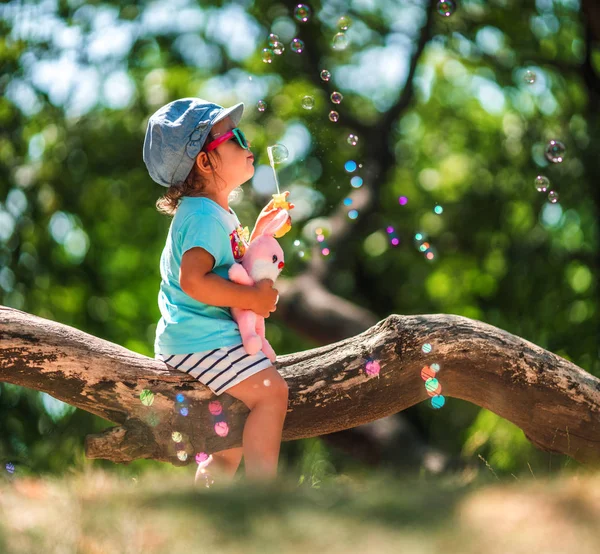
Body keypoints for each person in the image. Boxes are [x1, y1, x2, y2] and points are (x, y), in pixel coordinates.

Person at [143, 97, 294, 484]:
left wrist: (259, 234)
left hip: (203, 338)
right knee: (271, 393)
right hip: (200, 340)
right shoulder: (203, 216)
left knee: (228, 444)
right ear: (205, 162)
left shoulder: (211, 213)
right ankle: (265, 496)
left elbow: (232, 268)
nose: (248, 146)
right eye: (235, 137)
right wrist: (254, 300)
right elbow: (194, 281)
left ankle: (210, 512)